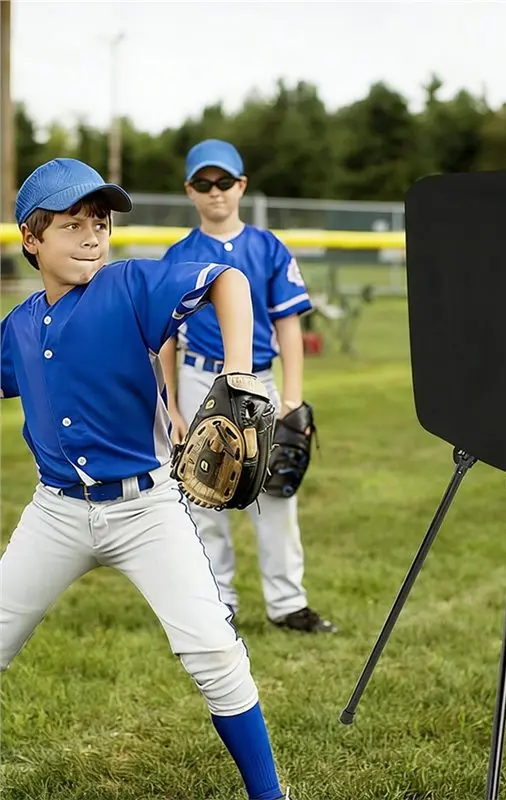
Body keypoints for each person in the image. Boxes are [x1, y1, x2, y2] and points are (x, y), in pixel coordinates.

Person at [0, 158, 291, 800]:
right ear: (30, 239)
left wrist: (237, 372)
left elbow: (230, 282)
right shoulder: (18, 327)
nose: (91, 236)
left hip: (145, 510)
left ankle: (269, 795)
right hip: (56, 514)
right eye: (71, 224)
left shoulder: (130, 286)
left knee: (213, 650)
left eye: (99, 223)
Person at [158, 139, 337, 634]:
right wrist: (171, 404)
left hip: (258, 380)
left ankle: (287, 603)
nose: (214, 192)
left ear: (241, 185)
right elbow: (166, 338)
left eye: (223, 182)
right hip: (199, 376)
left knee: (275, 489)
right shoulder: (179, 255)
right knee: (203, 490)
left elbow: (288, 327)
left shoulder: (268, 247)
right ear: (189, 191)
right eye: (203, 183)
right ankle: (218, 602)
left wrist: (293, 397)